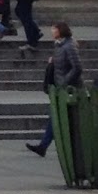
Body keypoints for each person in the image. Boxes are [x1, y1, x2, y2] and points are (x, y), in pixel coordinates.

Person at [26, 22, 82, 157]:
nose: (52, 32)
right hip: (60, 88)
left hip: (69, 89)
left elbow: (77, 67)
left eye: (54, 29)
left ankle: (46, 146)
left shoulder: (69, 46)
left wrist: (64, 82)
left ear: (60, 31)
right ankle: (43, 146)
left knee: (61, 117)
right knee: (55, 117)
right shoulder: (59, 46)